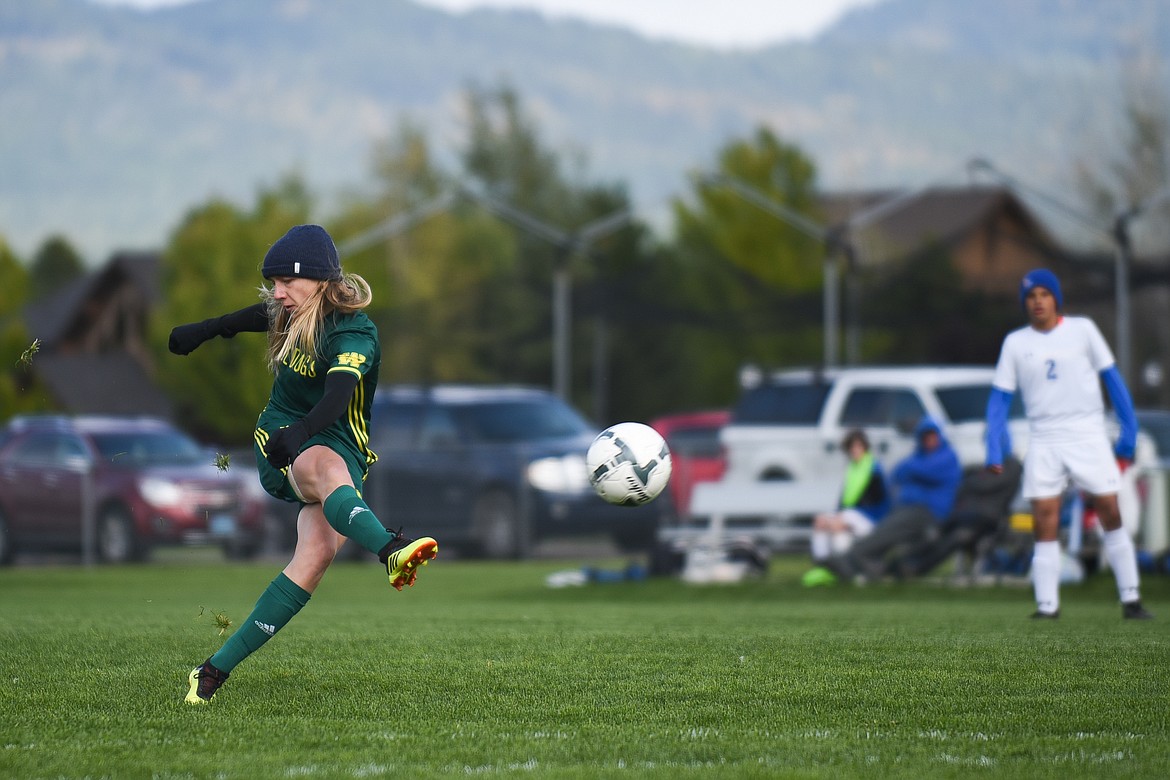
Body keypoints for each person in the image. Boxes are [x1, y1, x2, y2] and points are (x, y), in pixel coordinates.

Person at [169, 224, 440, 704]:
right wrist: (205, 330)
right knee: (326, 469)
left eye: (286, 282)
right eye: (272, 283)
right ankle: (390, 550)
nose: (278, 294)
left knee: (315, 555)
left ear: (318, 280)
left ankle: (210, 673)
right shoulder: (290, 311)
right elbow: (254, 315)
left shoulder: (356, 331)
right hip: (281, 442)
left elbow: (339, 393)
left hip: (332, 440)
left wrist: (305, 432)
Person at [986, 268, 1152, 619]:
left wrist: (1129, 432)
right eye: (1031, 297)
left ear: (1056, 298)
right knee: (1044, 517)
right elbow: (999, 399)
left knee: (1109, 508)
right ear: (1025, 304)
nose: (1038, 302)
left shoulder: (1083, 329)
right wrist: (993, 447)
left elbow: (1113, 380)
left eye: (1044, 294)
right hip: (1044, 437)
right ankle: (1047, 606)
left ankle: (1131, 599)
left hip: (1087, 432)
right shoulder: (1015, 343)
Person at [806, 416, 962, 585]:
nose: (929, 439)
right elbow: (898, 473)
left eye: (933, 435)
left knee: (887, 528)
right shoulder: (918, 456)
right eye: (925, 436)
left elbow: (912, 471)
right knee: (882, 527)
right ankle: (843, 562)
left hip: (929, 511)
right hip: (906, 509)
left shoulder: (946, 456)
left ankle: (851, 560)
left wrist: (910, 471)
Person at [887, 455, 1023, 580]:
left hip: (986, 521)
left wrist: (973, 478)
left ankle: (915, 568)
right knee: (933, 535)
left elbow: (984, 484)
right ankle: (899, 562)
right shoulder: (986, 467)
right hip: (963, 515)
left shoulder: (1010, 466)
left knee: (958, 537)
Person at [804, 429, 890, 580]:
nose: (855, 450)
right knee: (821, 522)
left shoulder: (874, 469)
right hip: (852, 516)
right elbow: (844, 503)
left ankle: (844, 569)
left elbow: (878, 503)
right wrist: (838, 517)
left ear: (865, 447)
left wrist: (843, 519)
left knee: (839, 523)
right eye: (852, 447)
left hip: (873, 520)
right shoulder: (852, 469)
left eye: (858, 446)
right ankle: (822, 566)